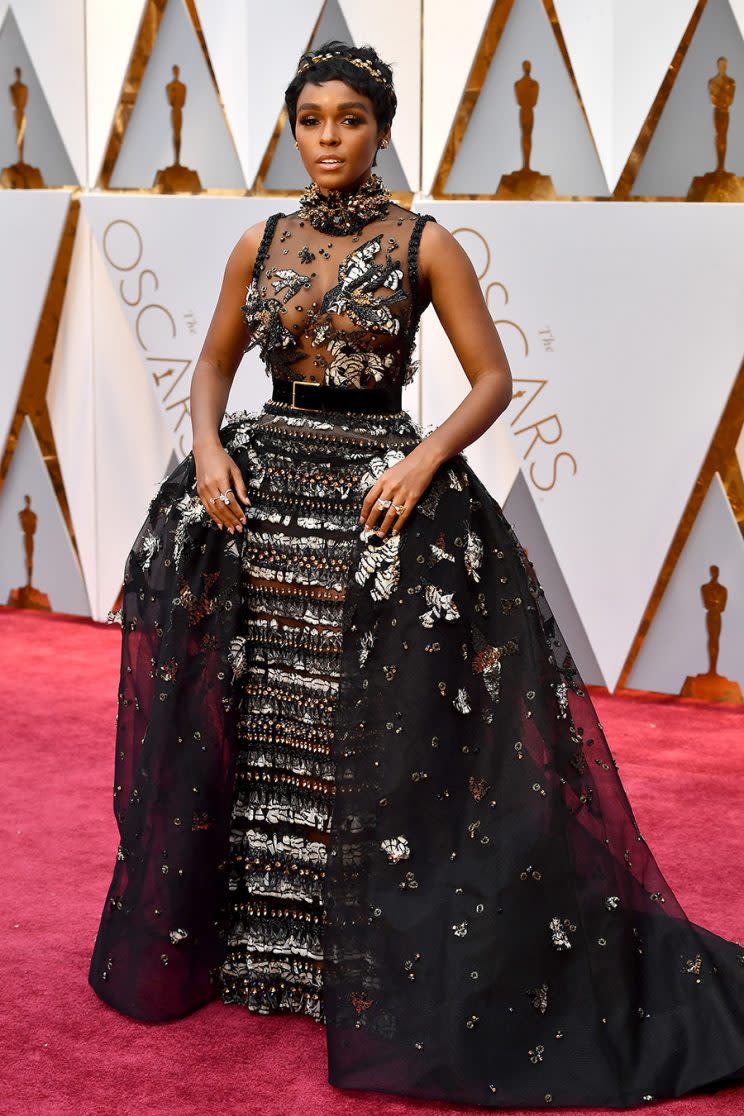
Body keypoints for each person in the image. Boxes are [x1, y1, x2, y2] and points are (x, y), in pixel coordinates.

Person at [88, 39, 744, 1110]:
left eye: (351, 119)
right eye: (312, 120)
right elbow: (211, 360)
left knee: (373, 728)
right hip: (261, 497)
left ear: (383, 127)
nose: (330, 139)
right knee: (265, 725)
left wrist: (422, 459)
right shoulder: (259, 239)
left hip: (376, 495)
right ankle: (268, 953)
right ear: (293, 129)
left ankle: (361, 960)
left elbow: (492, 378)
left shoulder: (424, 243)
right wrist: (206, 448)